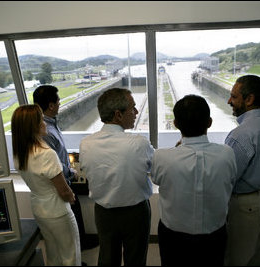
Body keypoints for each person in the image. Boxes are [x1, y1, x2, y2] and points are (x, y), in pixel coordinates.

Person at [151, 95, 237, 266]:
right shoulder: (226, 153)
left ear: (175, 124)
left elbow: (156, 178)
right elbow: (231, 179)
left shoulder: (162, 157)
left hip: (173, 235)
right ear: (209, 122)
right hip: (214, 234)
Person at [79, 88, 154, 266]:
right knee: (135, 259)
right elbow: (155, 169)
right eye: (133, 108)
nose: (136, 112)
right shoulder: (139, 143)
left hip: (104, 213)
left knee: (107, 258)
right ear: (118, 115)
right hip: (136, 213)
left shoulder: (85, 144)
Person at [11, 104, 81, 266]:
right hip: (57, 211)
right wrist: (71, 197)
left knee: (53, 252)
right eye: (41, 120)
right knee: (70, 254)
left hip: (39, 208)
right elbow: (63, 190)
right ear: (33, 127)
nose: (44, 123)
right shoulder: (46, 154)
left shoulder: (19, 153)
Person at [224, 75, 260, 266]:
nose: (229, 101)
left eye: (234, 96)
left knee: (239, 259)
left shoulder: (240, 135)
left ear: (249, 99)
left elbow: (229, 177)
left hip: (245, 206)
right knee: (256, 254)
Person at [33, 85, 97, 252]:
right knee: (69, 231)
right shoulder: (45, 130)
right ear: (51, 105)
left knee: (76, 217)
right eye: (58, 100)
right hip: (60, 182)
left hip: (63, 179)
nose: (61, 103)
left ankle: (81, 243)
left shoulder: (51, 124)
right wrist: (70, 172)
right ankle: (76, 250)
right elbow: (51, 160)